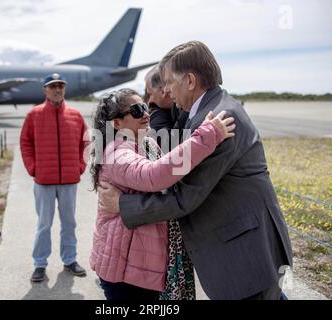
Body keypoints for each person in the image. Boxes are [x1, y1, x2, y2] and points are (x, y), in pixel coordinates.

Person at [98, 41, 293, 300]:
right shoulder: (201, 113)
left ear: (190, 81)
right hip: (240, 247)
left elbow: (184, 197)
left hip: (244, 255)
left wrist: (123, 204)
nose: (165, 90)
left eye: (168, 81)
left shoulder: (220, 120)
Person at [90, 88, 235, 300]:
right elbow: (154, 175)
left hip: (139, 265)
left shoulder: (145, 144)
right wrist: (208, 135)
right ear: (117, 123)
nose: (146, 114)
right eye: (137, 110)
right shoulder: (117, 152)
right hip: (125, 270)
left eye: (145, 107)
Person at [20, 73, 89, 282]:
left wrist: (80, 166)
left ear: (64, 89)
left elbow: (85, 143)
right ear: (45, 90)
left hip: (69, 180)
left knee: (69, 223)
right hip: (44, 182)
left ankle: (70, 260)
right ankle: (40, 264)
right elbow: (25, 142)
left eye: (60, 86)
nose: (57, 89)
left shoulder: (76, 115)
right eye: (52, 86)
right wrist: (33, 168)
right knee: (44, 224)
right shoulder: (34, 115)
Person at [144, 66, 189, 150]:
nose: (150, 101)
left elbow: (166, 147)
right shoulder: (161, 112)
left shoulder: (187, 108)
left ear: (163, 91)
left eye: (150, 94)